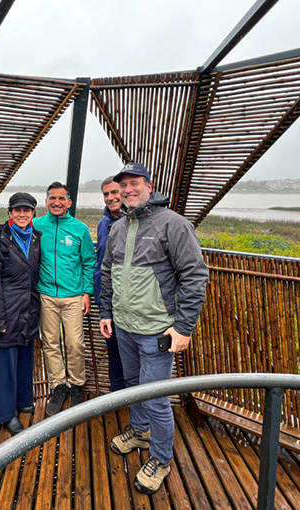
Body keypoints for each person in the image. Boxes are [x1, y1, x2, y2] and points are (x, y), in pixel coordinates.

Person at [99, 162, 208, 495]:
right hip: (124, 326)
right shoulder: (118, 227)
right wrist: (106, 312)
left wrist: (184, 328)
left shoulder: (173, 224)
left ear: (149, 185)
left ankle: (161, 459)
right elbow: (107, 272)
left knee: (156, 397)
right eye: (123, 185)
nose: (128, 189)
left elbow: (195, 276)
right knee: (133, 385)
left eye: (134, 183)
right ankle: (140, 430)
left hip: (157, 330)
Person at [35, 181, 96, 416]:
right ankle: (58, 386)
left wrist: (87, 292)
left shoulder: (79, 229)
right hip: (46, 295)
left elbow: (89, 262)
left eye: (61, 198)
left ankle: (77, 384)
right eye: (52, 198)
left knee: (75, 343)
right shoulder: (36, 225)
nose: (57, 202)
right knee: (50, 343)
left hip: (73, 297)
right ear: (47, 201)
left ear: (69, 202)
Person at [0, 192, 42, 435]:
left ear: (33, 214)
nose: (22, 214)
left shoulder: (36, 238)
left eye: (27, 210)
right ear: (9, 213)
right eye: (17, 210)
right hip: (6, 308)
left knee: (23, 356)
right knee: (4, 361)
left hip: (28, 308)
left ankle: (22, 401)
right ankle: (5, 413)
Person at [93, 176, 126, 392]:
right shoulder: (103, 224)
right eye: (106, 194)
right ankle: (117, 395)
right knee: (113, 351)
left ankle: (136, 399)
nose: (110, 198)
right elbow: (100, 260)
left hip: (129, 298)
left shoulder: (134, 221)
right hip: (107, 298)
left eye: (114, 192)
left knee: (133, 351)